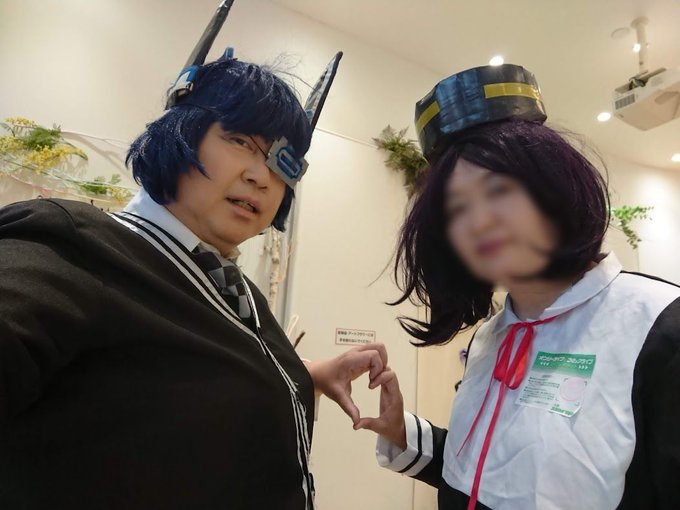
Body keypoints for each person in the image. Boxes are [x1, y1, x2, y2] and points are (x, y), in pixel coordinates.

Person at [0, 3, 384, 509]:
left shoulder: (237, 291)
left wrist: (300, 372)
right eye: (240, 140)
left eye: (282, 160)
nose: (261, 176)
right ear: (179, 131)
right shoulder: (72, 245)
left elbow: (168, 378)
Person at [356, 64, 680, 509]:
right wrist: (400, 432)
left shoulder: (659, 328)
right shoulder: (490, 336)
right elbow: (489, 472)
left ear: (557, 188)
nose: (480, 222)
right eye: (457, 209)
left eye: (500, 190)